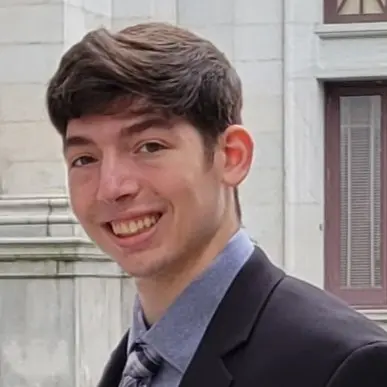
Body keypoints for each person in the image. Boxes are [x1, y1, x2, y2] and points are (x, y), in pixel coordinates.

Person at [46, 22, 387, 387]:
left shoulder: (343, 365)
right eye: (85, 159)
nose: (110, 188)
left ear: (232, 156)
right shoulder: (136, 361)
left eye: (150, 147)